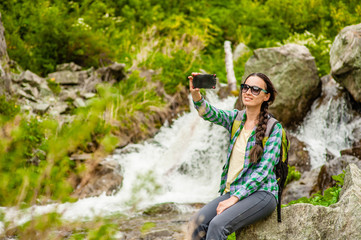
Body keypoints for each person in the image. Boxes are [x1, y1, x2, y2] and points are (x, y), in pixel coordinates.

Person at [187, 72, 282, 240]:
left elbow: (263, 171)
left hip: (262, 193)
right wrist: (196, 95)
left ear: (266, 96)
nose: (247, 92)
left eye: (255, 89)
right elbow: (209, 113)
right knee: (196, 224)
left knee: (218, 225)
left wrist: (235, 198)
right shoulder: (236, 118)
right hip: (235, 190)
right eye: (245, 87)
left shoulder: (274, 128)